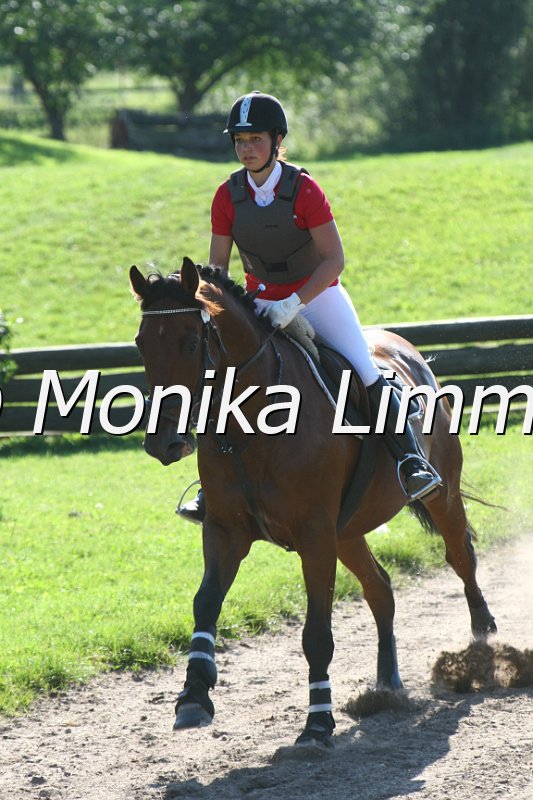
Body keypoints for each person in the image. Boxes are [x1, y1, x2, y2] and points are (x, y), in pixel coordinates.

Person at [178, 91, 441, 522]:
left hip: (318, 296)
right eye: (240, 140)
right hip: (259, 302)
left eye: (256, 139)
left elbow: (334, 259)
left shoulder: (304, 189)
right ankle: (212, 487)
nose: (246, 148)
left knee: (364, 368)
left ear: (277, 140)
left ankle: (411, 462)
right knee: (222, 379)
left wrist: (294, 303)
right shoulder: (227, 196)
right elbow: (218, 269)